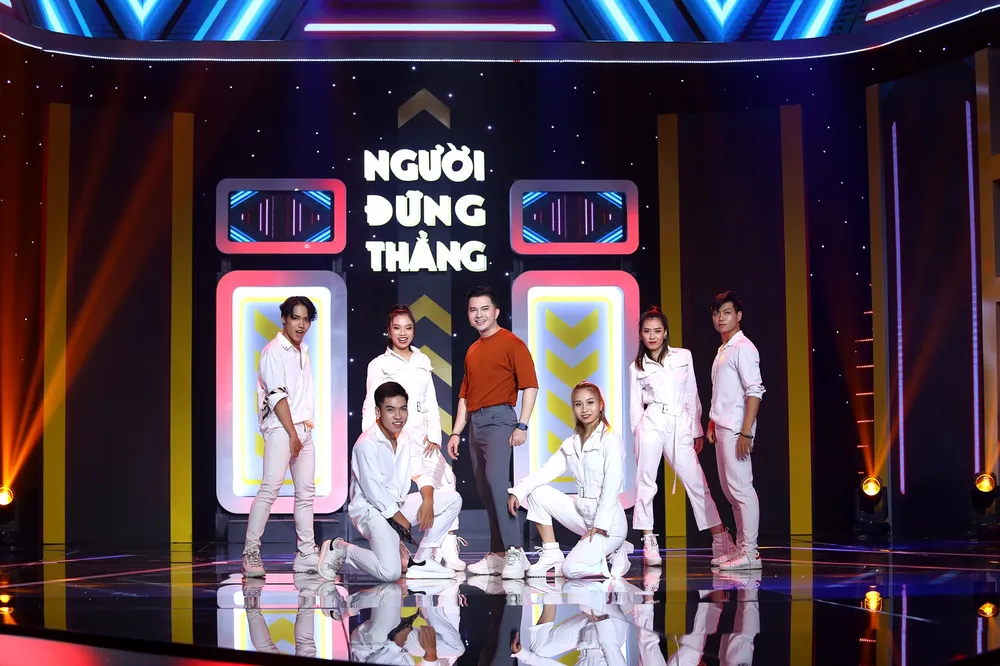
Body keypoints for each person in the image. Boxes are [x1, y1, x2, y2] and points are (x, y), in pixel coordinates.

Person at [318, 381, 461, 582]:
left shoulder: (405, 438)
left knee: (453, 499)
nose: (398, 416)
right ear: (378, 411)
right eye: (391, 410)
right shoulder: (366, 444)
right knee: (390, 572)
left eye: (403, 409)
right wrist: (399, 519)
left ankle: (422, 560)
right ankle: (340, 549)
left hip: (397, 506)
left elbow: (421, 470)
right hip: (372, 512)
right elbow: (373, 492)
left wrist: (428, 500)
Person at [361, 304, 466, 571]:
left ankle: (444, 546)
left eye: (408, 327)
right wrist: (372, 440)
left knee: (446, 482)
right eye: (397, 328)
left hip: (422, 437)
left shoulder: (422, 360)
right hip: (393, 437)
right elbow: (370, 404)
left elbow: (431, 401)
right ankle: (394, 542)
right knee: (392, 491)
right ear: (388, 331)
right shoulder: (379, 364)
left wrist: (435, 436)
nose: (403, 333)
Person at [629, 306, 735, 567]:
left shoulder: (683, 356)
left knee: (697, 482)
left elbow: (691, 394)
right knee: (646, 482)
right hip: (651, 422)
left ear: (665, 333)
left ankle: (720, 538)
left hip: (679, 423)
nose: (652, 336)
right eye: (647, 331)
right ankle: (649, 540)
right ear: (641, 334)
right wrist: (638, 436)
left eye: (657, 331)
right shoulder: (637, 366)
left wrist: (696, 429)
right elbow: (634, 408)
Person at [446, 286, 539, 577]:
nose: (479, 315)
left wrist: (522, 424)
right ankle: (498, 552)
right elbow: (465, 395)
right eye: (473, 310)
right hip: (476, 422)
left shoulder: (512, 343)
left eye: (484, 309)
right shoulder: (473, 350)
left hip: (500, 419)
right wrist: (455, 432)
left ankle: (515, 551)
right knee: (485, 489)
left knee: (498, 485)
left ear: (496, 312)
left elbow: (530, 385)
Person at [506, 381, 634, 580]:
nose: (584, 409)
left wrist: (601, 525)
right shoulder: (572, 443)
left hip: (609, 523)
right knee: (537, 492)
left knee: (571, 570)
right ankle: (551, 553)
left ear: (601, 405)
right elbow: (546, 471)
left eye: (590, 403)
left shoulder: (610, 438)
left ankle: (614, 553)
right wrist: (518, 491)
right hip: (583, 514)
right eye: (578, 404)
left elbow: (612, 484)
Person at [242, 296, 321, 578]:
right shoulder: (273, 351)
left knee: (306, 494)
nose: (301, 325)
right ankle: (251, 551)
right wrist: (292, 433)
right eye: (295, 318)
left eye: (306, 319)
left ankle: (306, 554)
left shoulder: (302, 351)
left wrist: (302, 431)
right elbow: (277, 396)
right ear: (284, 319)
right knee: (270, 489)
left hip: (303, 429)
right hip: (281, 429)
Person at [706, 291, 765, 570]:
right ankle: (742, 549)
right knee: (731, 492)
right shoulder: (723, 349)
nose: (721, 318)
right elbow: (723, 392)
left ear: (738, 316)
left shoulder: (743, 347)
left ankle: (750, 552)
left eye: (727, 312)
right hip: (723, 427)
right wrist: (712, 422)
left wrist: (746, 432)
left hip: (736, 429)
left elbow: (754, 391)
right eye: (717, 313)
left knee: (742, 490)